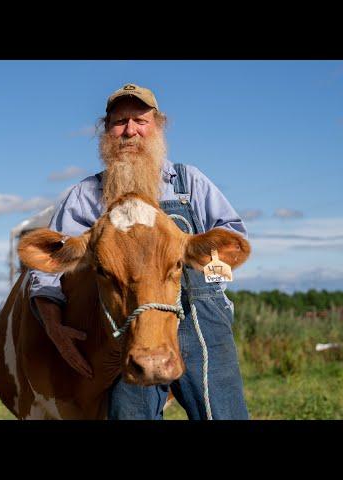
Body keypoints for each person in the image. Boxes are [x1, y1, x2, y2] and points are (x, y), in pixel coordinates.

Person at [27, 83, 249, 420]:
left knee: (223, 414)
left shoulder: (189, 184)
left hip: (199, 320)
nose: (130, 131)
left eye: (140, 120)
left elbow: (231, 239)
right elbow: (48, 268)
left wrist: (195, 254)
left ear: (158, 126)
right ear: (106, 130)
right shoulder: (86, 195)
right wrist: (54, 326)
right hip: (123, 330)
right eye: (119, 122)